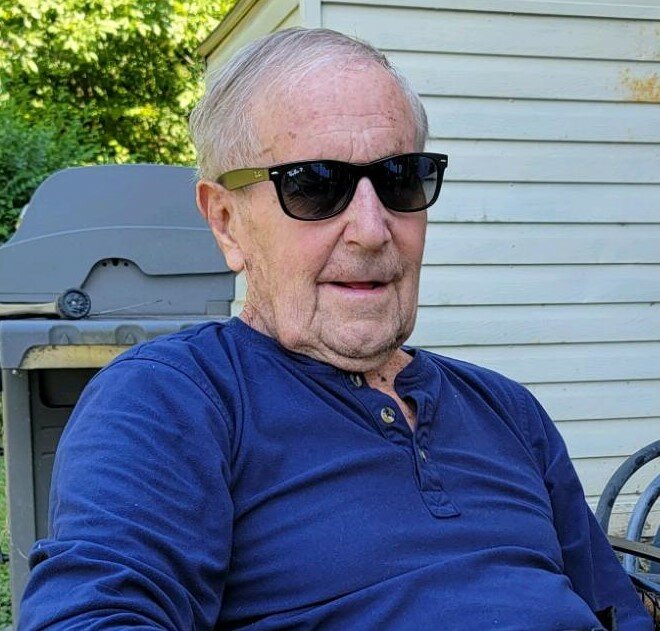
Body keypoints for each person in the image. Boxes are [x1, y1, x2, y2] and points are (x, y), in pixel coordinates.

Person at [20, 28, 651, 631]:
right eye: (315, 186)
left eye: (400, 178)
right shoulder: (173, 399)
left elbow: (616, 612)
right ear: (227, 222)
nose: (372, 231)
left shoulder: (507, 410)